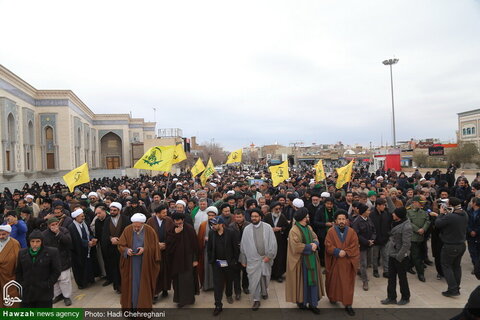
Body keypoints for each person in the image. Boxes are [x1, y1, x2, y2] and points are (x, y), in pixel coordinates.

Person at [285, 208, 324, 314]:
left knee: (312, 283)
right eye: (307, 216)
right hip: (301, 263)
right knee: (303, 284)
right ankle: (302, 302)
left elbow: (315, 238)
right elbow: (296, 246)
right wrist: (309, 247)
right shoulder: (294, 230)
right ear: (302, 218)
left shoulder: (309, 227)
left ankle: (313, 304)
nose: (308, 218)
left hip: (312, 261)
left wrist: (315, 244)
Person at [118, 213, 160, 310]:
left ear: (143, 224)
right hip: (130, 264)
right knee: (130, 287)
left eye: (138, 226)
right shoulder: (127, 229)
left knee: (144, 287)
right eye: (134, 226)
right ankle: (131, 309)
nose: (136, 228)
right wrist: (126, 250)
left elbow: (155, 247)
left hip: (145, 264)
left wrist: (145, 249)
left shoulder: (150, 230)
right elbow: (121, 245)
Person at [239, 208, 277, 311]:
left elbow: (273, 243)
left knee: (264, 277)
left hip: (265, 258)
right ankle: (256, 299)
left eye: (256, 216)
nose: (254, 218)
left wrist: (269, 256)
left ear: (260, 217)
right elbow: (243, 245)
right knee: (253, 280)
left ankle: (264, 292)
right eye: (252, 216)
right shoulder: (247, 229)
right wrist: (244, 260)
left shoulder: (267, 227)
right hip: (252, 260)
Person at [325, 210, 359, 316]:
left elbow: (355, 245)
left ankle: (348, 304)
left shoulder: (352, 232)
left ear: (347, 220)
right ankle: (333, 298)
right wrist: (337, 251)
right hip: (335, 261)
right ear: (335, 220)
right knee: (334, 282)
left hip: (347, 263)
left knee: (347, 284)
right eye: (339, 219)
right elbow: (328, 244)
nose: (341, 221)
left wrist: (346, 252)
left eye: (343, 219)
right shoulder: (330, 231)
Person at [16, 230, 61, 307]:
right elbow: (19, 271)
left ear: (42, 242)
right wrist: (21, 285)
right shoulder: (22, 253)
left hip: (44, 293)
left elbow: (56, 271)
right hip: (27, 294)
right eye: (32, 241)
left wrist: (48, 284)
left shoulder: (51, 252)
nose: (35, 244)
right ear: (29, 242)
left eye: (38, 241)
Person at [435, 197, 468, 297]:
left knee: (447, 266)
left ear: (451, 205)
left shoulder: (451, 217)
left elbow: (438, 224)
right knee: (457, 266)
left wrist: (441, 213)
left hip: (450, 245)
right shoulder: (465, 214)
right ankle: (456, 287)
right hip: (461, 245)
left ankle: (453, 289)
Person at [207, 216, 240, 316]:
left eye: (215, 224)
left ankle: (229, 295)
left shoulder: (231, 233)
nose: (213, 226)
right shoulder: (211, 233)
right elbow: (209, 248)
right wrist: (211, 260)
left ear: (221, 224)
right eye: (212, 224)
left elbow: (236, 248)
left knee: (229, 281)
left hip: (229, 263)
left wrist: (234, 261)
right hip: (217, 264)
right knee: (218, 285)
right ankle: (218, 305)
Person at [166, 212, 199, 308]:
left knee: (188, 280)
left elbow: (195, 246)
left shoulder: (189, 229)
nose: (178, 224)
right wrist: (175, 234)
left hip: (188, 260)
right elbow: (168, 244)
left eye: (180, 222)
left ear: (183, 220)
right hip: (176, 261)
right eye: (176, 222)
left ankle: (189, 299)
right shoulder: (171, 229)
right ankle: (180, 300)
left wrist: (195, 259)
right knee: (177, 281)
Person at [381, 207, 412, 306]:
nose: (392, 215)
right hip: (392, 254)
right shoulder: (395, 222)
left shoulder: (406, 226)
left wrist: (399, 256)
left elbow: (406, 244)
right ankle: (391, 297)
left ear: (399, 215)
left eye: (394, 214)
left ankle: (405, 297)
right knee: (391, 278)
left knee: (402, 278)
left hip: (400, 257)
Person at [42, 217, 73, 306]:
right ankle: (58, 295)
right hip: (51, 261)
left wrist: (58, 233)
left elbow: (68, 241)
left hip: (63, 259)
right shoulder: (44, 234)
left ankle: (66, 296)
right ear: (48, 226)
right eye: (52, 225)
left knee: (64, 280)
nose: (55, 226)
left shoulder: (64, 230)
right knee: (54, 280)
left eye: (56, 224)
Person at [146, 204, 174, 300]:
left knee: (166, 271)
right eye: (163, 213)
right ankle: (155, 292)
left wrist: (166, 244)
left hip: (166, 250)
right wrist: (156, 244)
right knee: (155, 271)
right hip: (154, 251)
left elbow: (172, 234)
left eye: (166, 212)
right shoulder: (150, 221)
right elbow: (147, 235)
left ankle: (165, 289)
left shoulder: (169, 220)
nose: (165, 214)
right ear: (157, 213)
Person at [101, 201, 131, 293]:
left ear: (119, 210)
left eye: (114, 210)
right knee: (114, 268)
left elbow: (129, 233)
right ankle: (117, 286)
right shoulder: (107, 220)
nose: (112, 212)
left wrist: (120, 241)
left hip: (123, 248)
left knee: (124, 268)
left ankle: (126, 285)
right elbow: (105, 234)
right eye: (111, 210)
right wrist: (111, 239)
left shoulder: (126, 219)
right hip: (112, 249)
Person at [67, 208, 97, 289]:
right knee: (80, 268)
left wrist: (92, 239)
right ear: (76, 217)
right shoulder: (71, 227)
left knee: (88, 266)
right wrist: (87, 243)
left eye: (83, 216)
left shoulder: (85, 223)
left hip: (87, 250)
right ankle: (82, 283)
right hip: (78, 251)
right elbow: (76, 240)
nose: (83, 218)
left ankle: (89, 280)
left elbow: (89, 233)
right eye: (81, 216)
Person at [264, 201, 290, 282]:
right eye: (276, 209)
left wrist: (281, 229)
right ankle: (271, 274)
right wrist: (271, 229)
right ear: (272, 209)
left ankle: (278, 275)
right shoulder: (267, 216)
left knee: (279, 257)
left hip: (280, 241)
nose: (278, 211)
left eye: (279, 209)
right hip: (269, 241)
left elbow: (286, 227)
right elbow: (263, 226)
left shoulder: (282, 217)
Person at [351, 203, 376, 291]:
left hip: (370, 245)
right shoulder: (356, 222)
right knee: (363, 263)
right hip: (362, 246)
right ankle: (365, 281)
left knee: (368, 262)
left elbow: (373, 230)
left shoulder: (369, 219)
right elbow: (356, 234)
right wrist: (366, 242)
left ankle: (361, 272)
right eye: (367, 211)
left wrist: (372, 239)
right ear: (363, 212)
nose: (369, 212)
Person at [407, 196, 430, 282]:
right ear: (414, 203)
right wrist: (418, 230)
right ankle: (421, 273)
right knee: (416, 256)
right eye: (419, 202)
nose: (421, 204)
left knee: (418, 254)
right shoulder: (408, 212)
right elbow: (408, 222)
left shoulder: (424, 212)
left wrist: (423, 229)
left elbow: (427, 221)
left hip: (422, 237)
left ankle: (408, 266)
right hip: (413, 237)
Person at [197, 206, 218, 291]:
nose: (211, 217)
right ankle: (206, 285)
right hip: (206, 249)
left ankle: (216, 285)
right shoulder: (203, 225)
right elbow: (199, 238)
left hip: (217, 250)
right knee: (206, 267)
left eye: (213, 215)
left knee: (216, 268)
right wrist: (204, 239)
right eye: (209, 215)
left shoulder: (219, 224)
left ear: (216, 215)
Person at [230, 209, 250, 295]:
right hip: (235, 252)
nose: (238, 219)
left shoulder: (249, 225)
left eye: (240, 217)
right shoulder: (231, 226)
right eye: (237, 217)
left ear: (243, 217)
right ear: (234, 217)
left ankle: (245, 286)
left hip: (246, 252)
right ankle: (237, 291)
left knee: (246, 271)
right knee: (236, 273)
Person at [370, 198, 391, 278]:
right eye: (383, 205)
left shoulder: (385, 213)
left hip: (385, 239)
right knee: (375, 257)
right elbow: (372, 228)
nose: (384, 206)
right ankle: (375, 270)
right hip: (376, 240)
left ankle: (386, 271)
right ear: (378, 206)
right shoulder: (372, 215)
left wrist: (388, 234)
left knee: (386, 255)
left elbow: (388, 225)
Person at [0, 224, 21, 308]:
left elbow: (18, 262)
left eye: (3, 234)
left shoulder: (14, 243)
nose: (1, 236)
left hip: (9, 277)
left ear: (8, 233)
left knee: (11, 298)